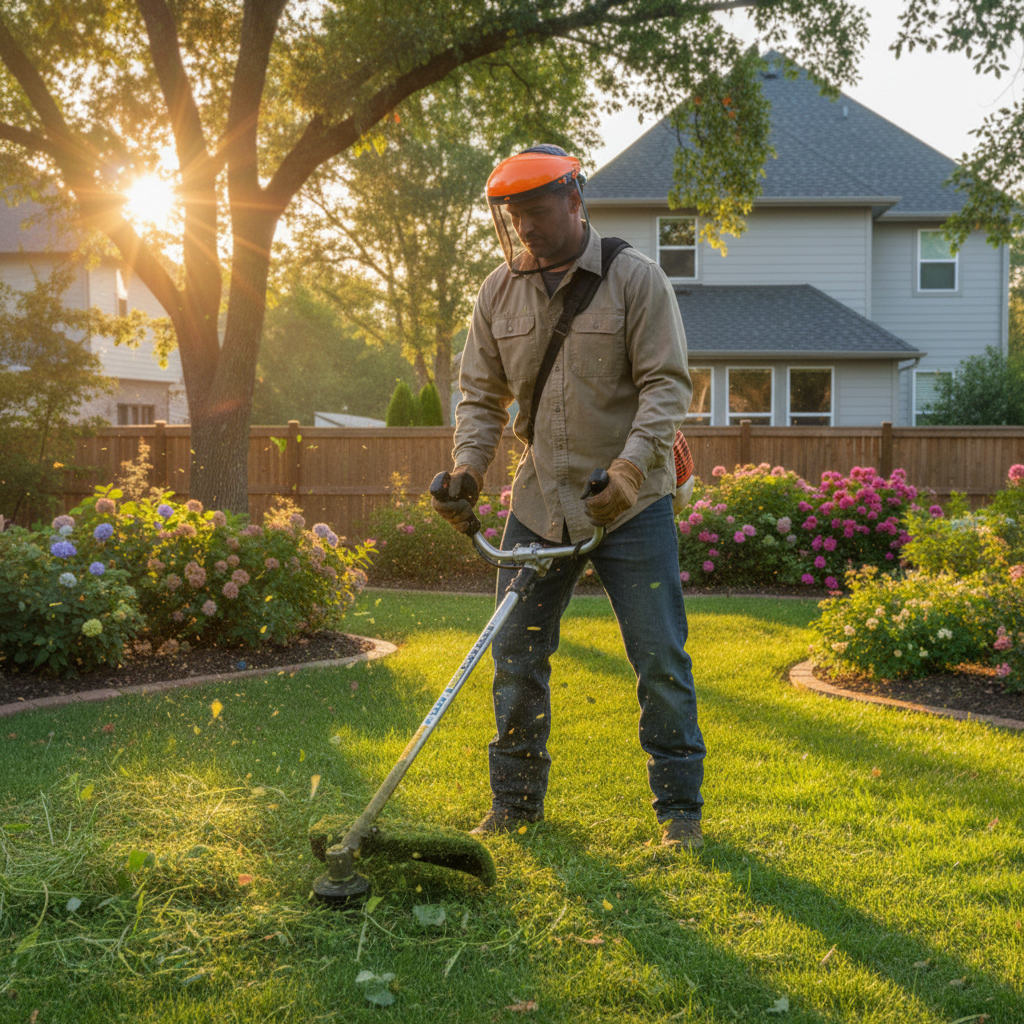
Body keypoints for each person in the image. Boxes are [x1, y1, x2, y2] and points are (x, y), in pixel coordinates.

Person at [432, 144, 705, 850]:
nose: (524, 225)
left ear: (574, 198)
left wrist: (629, 471)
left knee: (660, 659)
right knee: (516, 659)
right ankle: (515, 805)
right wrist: (466, 471)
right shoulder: (497, 292)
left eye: (536, 208)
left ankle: (679, 812)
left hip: (629, 504)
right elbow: (480, 397)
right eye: (512, 212)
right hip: (538, 502)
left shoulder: (635, 280)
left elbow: (666, 387)